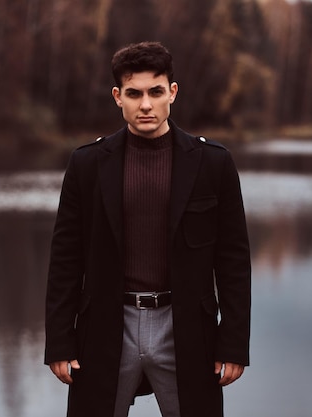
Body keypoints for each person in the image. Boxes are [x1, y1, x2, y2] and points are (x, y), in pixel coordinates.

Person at [44, 41, 251, 417]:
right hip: (108, 325)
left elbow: (234, 260)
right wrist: (60, 341)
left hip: (185, 326)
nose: (145, 105)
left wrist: (234, 343)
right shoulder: (87, 165)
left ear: (172, 92)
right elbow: (65, 260)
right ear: (117, 97)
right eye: (134, 94)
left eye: (155, 92)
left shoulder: (213, 164)